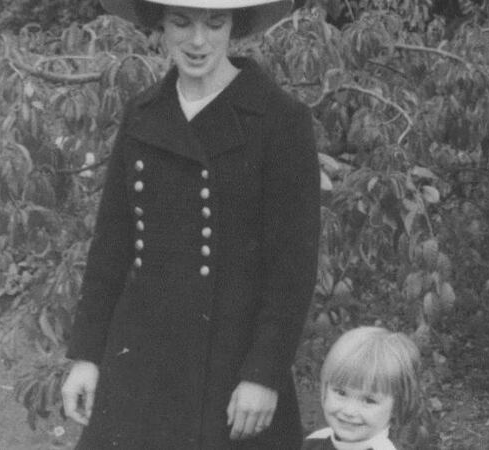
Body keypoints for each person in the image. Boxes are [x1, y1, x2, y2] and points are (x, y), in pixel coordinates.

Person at [60, 0, 320, 448]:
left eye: (214, 23)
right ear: (159, 23)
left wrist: (264, 374)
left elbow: (291, 269)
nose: (198, 41)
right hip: (140, 362)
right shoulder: (142, 112)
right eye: (181, 22)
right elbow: (111, 246)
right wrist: (86, 355)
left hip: (230, 368)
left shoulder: (280, 119)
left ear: (234, 26)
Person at [302, 327, 422, 450]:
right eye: (341, 393)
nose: (349, 411)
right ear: (325, 389)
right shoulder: (314, 441)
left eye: (369, 400)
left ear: (396, 407)